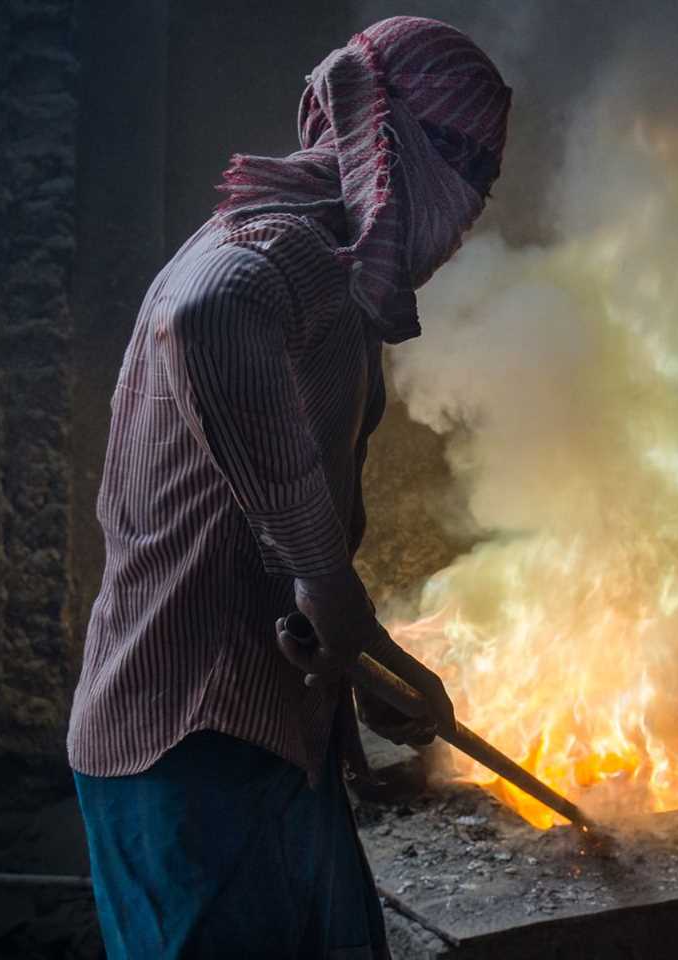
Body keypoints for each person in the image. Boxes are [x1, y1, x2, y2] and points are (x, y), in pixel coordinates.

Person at [67, 16, 510, 958]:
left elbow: (260, 545)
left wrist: (373, 659)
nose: (468, 208)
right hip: (193, 748)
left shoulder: (312, 251)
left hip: (263, 743)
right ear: (398, 147)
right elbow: (208, 315)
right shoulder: (285, 250)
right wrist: (325, 570)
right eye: (466, 164)